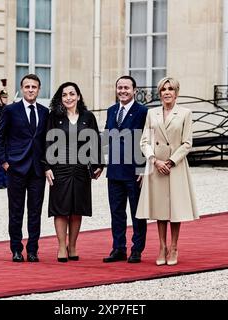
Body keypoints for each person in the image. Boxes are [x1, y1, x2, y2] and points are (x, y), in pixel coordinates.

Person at [136, 77, 199, 266]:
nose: (167, 92)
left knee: (175, 209)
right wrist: (154, 160)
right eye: (163, 89)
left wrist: (170, 162)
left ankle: (174, 247)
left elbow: (187, 142)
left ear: (176, 92)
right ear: (159, 93)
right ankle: (161, 246)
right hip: (156, 165)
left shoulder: (185, 113)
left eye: (170, 89)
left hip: (175, 166)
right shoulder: (151, 113)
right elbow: (144, 141)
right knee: (160, 208)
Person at [44, 82, 103, 262]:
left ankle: (73, 245)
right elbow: (46, 142)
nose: (68, 97)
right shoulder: (54, 117)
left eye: (72, 94)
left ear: (78, 96)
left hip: (81, 168)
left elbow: (95, 141)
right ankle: (62, 246)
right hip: (59, 167)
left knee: (77, 208)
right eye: (64, 95)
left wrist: (98, 164)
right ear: (60, 98)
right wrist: (46, 167)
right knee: (61, 209)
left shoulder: (88, 117)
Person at [0, 74, 49, 263]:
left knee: (35, 212)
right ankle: (16, 249)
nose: (31, 90)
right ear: (22, 89)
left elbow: (46, 141)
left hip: (37, 170)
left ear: (39, 89)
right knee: (16, 211)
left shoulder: (44, 112)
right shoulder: (10, 110)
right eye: (27, 87)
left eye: (34, 87)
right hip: (16, 168)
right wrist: (4, 162)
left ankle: (33, 249)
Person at [102, 75, 148, 264]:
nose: (122, 91)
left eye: (126, 88)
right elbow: (106, 138)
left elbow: (147, 140)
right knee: (117, 213)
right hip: (114, 171)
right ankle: (118, 248)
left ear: (134, 90)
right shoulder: (112, 110)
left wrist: (143, 168)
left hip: (134, 171)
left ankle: (137, 249)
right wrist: (101, 164)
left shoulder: (143, 111)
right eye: (119, 87)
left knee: (137, 213)